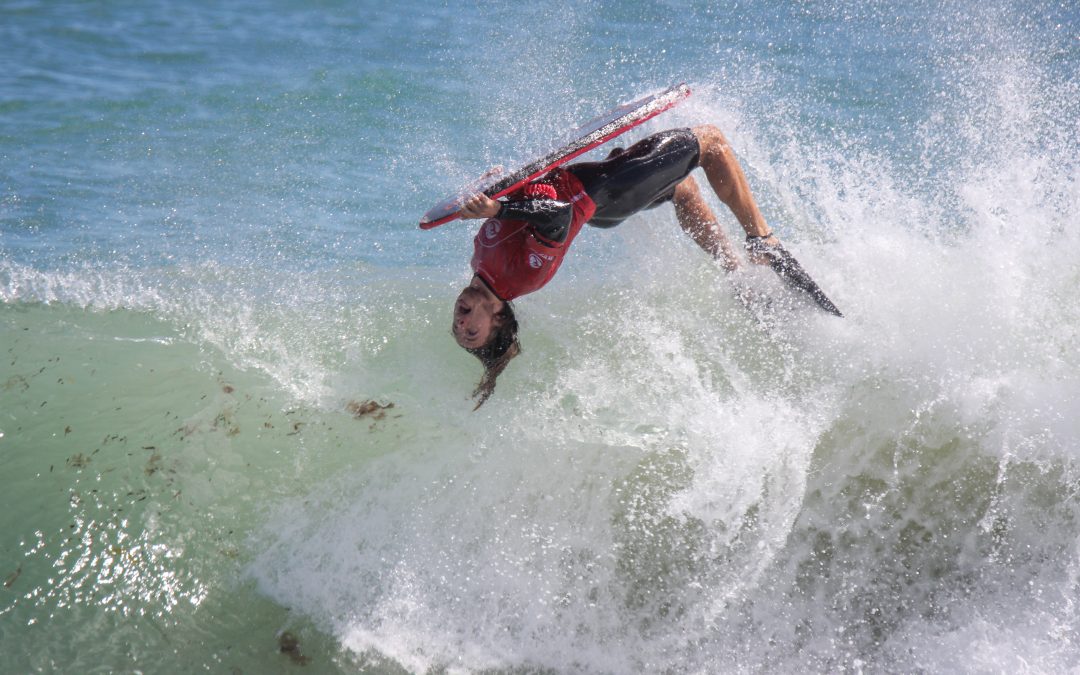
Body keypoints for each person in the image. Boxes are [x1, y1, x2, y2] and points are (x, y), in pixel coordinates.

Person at [451, 124, 840, 408]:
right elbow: (558, 218)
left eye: (457, 330)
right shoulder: (524, 276)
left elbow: (520, 216)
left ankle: (737, 272)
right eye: (471, 334)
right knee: (710, 143)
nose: (461, 324)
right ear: (498, 319)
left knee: (682, 190)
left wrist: (502, 188)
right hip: (604, 193)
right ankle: (762, 241)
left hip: (601, 205)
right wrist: (498, 206)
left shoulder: (480, 264)